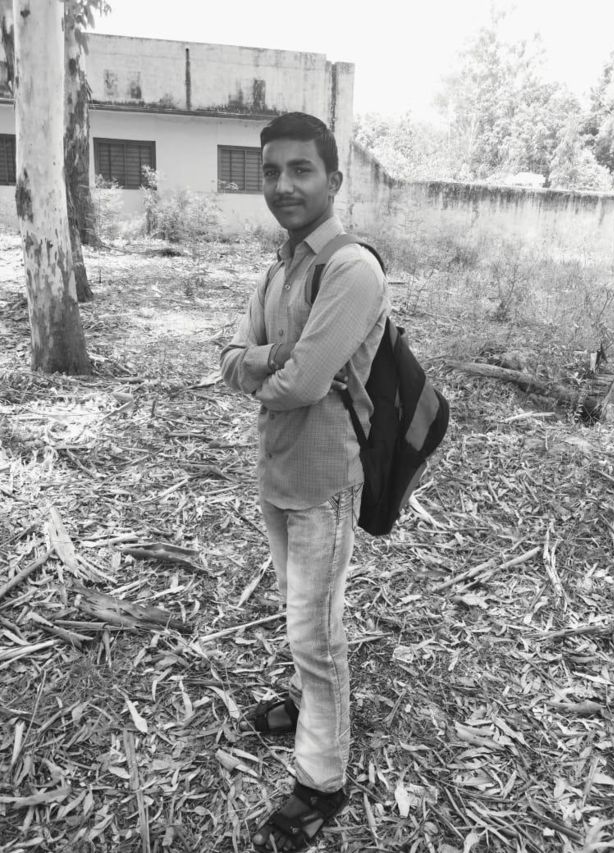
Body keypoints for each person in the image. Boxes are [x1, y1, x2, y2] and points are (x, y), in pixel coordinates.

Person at [220, 111, 389, 852]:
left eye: (300, 170)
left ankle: (323, 779)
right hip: (278, 469)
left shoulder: (351, 270)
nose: (283, 185)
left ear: (333, 179)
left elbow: (302, 384)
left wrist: (262, 365)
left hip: (324, 478)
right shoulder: (279, 267)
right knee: (301, 613)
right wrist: (266, 361)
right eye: (271, 171)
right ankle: (309, 705)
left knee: (316, 632)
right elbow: (232, 358)